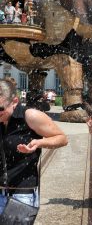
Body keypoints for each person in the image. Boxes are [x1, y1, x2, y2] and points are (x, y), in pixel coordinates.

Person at [0, 77, 68, 217]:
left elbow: (62, 138)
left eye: (0, 109)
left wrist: (39, 143)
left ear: (14, 102)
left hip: (21, 194)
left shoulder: (30, 116)